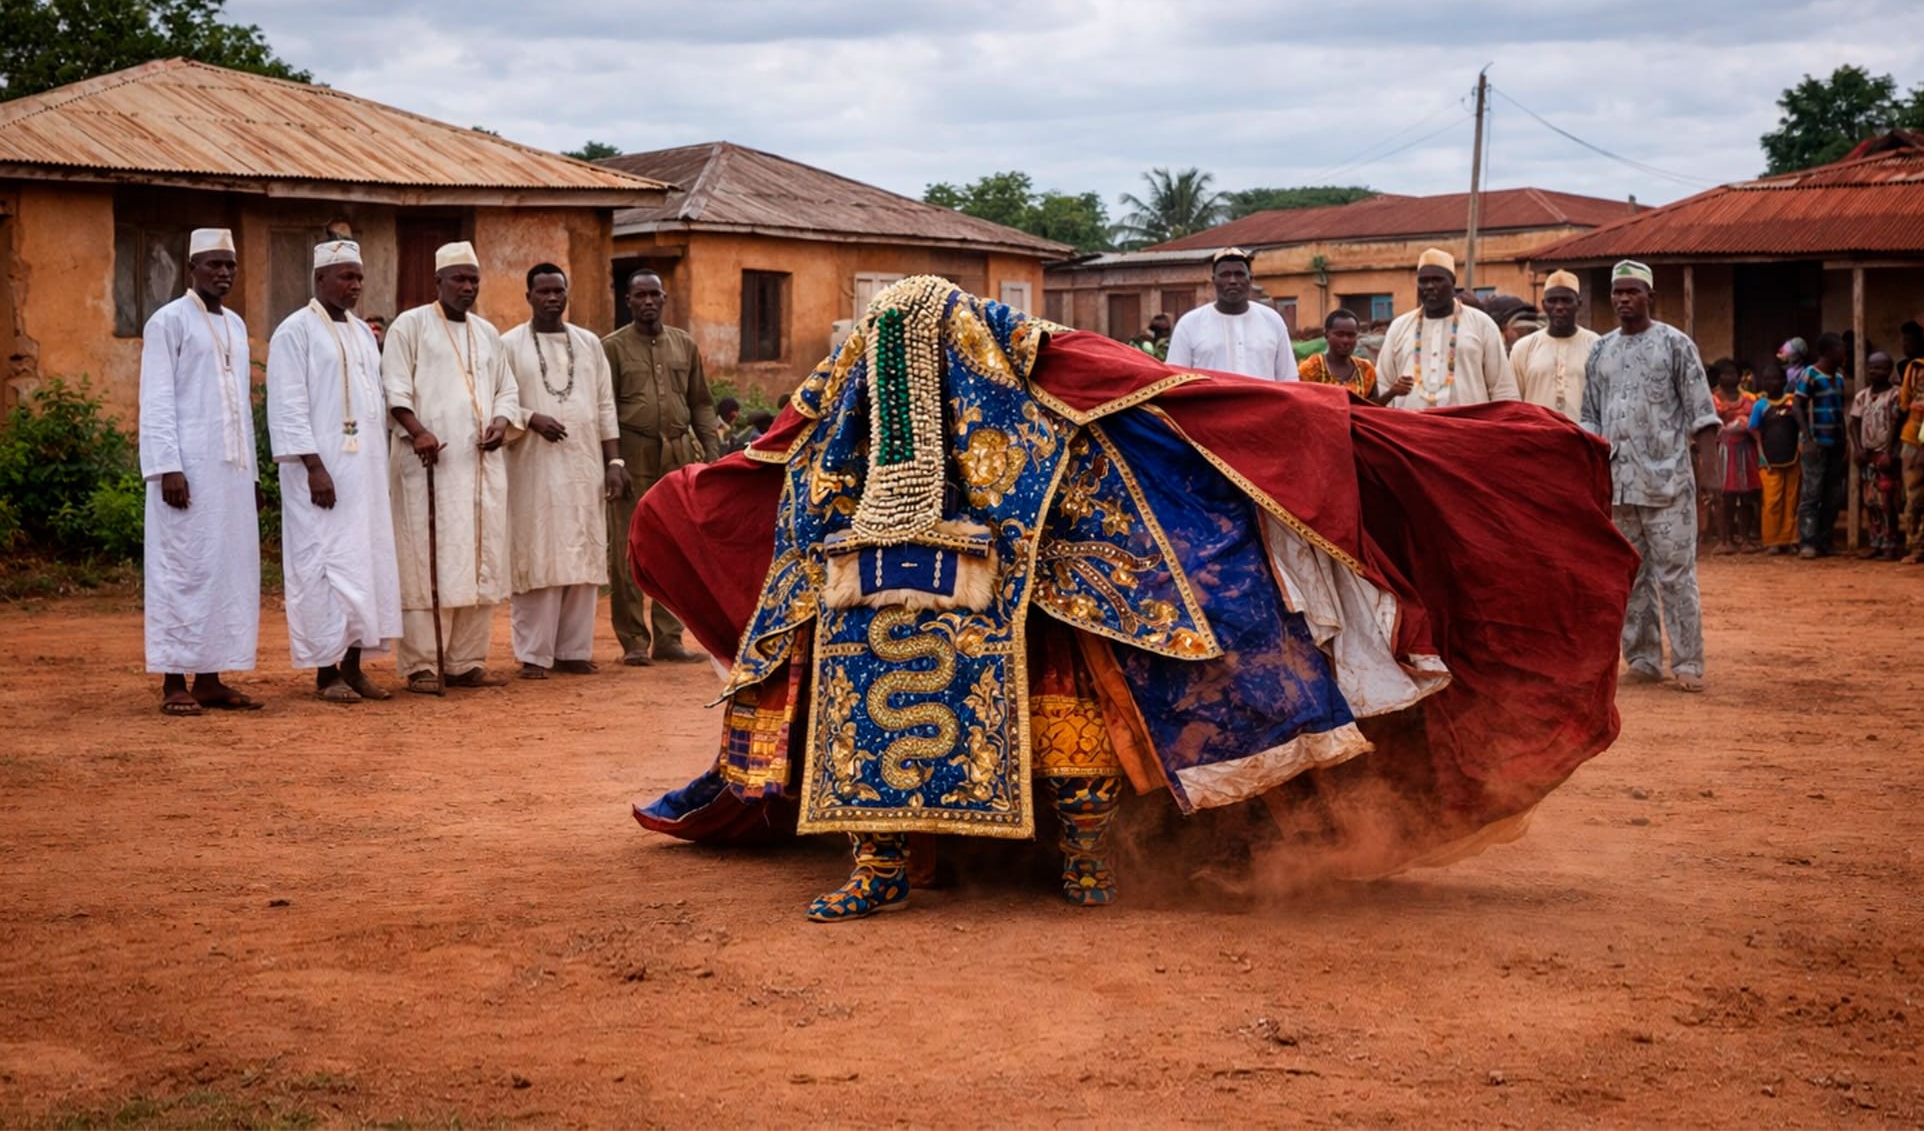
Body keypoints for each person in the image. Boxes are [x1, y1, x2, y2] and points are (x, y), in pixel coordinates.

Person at [630, 275, 1635, 921]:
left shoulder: (908, 360)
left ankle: (960, 862)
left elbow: (787, 438)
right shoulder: (1004, 348)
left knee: (1039, 688)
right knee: (1063, 690)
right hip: (966, 554)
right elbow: (1137, 379)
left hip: (982, 556)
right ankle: (1062, 864)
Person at [266, 240, 402, 701]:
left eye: (359, 277)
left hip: (364, 473)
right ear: (320, 278)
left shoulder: (363, 333)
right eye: (346, 276)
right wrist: (313, 466)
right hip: (319, 474)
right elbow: (288, 404)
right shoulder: (294, 331)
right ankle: (326, 672)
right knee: (322, 567)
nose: (355, 285)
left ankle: (354, 666)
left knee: (365, 564)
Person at [382, 241, 521, 692]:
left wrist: (501, 422)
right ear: (437, 281)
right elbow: (394, 388)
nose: (467, 287)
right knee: (429, 560)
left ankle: (465, 661)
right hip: (431, 464)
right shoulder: (410, 326)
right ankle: (423, 664)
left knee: (479, 558)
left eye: (473, 280)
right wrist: (417, 431)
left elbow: (507, 390)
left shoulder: (488, 332)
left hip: (481, 467)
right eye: (459, 279)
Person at [138, 227, 263, 715]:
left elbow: (240, 407)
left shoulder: (235, 325)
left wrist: (253, 477)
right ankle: (174, 680)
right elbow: (156, 399)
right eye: (214, 264)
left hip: (231, 474)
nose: (224, 273)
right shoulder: (168, 321)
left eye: (230, 265)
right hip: (186, 471)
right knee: (181, 570)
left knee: (224, 571)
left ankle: (210, 679)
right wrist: (167, 467)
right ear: (192, 268)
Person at [1580, 260, 1718, 693]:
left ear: (1650, 296)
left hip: (1668, 483)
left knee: (1676, 575)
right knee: (1629, 576)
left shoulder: (1675, 345)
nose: (1623, 299)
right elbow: (1589, 418)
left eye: (1632, 291)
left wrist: (1711, 478)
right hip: (1617, 487)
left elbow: (1703, 415)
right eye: (1617, 292)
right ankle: (1642, 658)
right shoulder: (1600, 351)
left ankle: (1688, 662)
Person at [501, 264, 630, 679]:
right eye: (543, 291)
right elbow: (497, 401)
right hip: (532, 468)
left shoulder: (589, 343)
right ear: (528, 296)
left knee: (582, 552)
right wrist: (530, 417)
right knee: (538, 553)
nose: (552, 298)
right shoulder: (508, 345)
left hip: (584, 466)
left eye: (558, 290)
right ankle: (534, 654)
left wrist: (614, 463)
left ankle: (573, 650)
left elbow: (605, 405)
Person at [603, 269, 718, 665]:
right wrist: (613, 462)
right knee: (628, 547)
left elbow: (701, 403)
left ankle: (670, 639)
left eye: (654, 295)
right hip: (632, 455)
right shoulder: (612, 348)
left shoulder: (684, 344)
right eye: (640, 296)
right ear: (628, 301)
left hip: (678, 455)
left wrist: (712, 455)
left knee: (676, 547)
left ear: (664, 298)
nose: (648, 302)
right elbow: (604, 409)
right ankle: (634, 641)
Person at [1377, 248, 1518, 410]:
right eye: (1423, 281)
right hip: (1410, 424)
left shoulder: (1482, 324)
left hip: (1467, 424)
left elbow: (1503, 388)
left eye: (1437, 280)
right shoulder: (1399, 327)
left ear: (1453, 282)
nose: (1429, 286)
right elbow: (1382, 384)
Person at [1165, 248, 1299, 381]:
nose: (1233, 281)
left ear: (1250, 279)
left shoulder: (1272, 321)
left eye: (1239, 274)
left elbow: (1289, 379)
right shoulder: (1189, 324)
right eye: (1225, 275)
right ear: (1214, 280)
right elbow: (1174, 381)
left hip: (1263, 397)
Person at [1508, 270, 1600, 422]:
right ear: (1543, 304)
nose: (1559, 307)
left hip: (1582, 434)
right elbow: (1513, 401)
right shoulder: (1523, 348)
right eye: (1552, 301)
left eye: (1566, 300)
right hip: (1537, 433)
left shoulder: (1596, 345)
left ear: (1579, 303)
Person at [1793, 332, 1848, 559]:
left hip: (1835, 443)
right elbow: (1797, 406)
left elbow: (1840, 411)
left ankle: (1825, 541)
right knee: (1812, 493)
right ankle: (1807, 541)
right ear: (1828, 352)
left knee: (1833, 495)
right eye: (1840, 350)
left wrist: (1845, 441)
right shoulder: (1810, 374)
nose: (1844, 354)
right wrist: (1807, 438)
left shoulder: (1840, 378)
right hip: (1816, 443)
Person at [1847, 350, 1903, 559]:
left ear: (1888, 370)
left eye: (1879, 367)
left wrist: (1890, 452)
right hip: (1868, 455)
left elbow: (1898, 425)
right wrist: (1858, 449)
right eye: (1871, 367)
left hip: (1885, 455)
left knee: (1888, 501)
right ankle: (1876, 542)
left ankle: (1891, 543)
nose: (1873, 371)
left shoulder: (1896, 395)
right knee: (1871, 502)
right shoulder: (1862, 396)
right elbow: (1853, 423)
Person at [1707, 358, 1762, 555]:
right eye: (1725, 373)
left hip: (1746, 450)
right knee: (1724, 497)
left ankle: (1745, 538)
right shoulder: (1711, 399)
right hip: (1722, 450)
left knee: (1747, 496)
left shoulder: (1750, 398)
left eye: (1733, 373)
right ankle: (1725, 540)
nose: (1730, 377)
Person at [1749, 366, 1802, 554]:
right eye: (1767, 379)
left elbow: (1800, 425)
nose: (1772, 383)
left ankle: (1790, 539)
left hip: (1792, 457)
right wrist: (1761, 455)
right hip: (1769, 459)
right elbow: (1754, 430)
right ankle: (1772, 540)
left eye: (1776, 378)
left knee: (1791, 499)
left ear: (1784, 381)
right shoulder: (1760, 405)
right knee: (1771, 501)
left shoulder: (1792, 402)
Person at [1297, 309, 1377, 399]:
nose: (1345, 340)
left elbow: (1373, 405)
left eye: (1351, 335)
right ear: (1326, 335)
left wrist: (1389, 393)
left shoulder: (1366, 370)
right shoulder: (1311, 368)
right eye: (1339, 335)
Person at [1900, 350, 1924, 564]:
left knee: (1914, 497)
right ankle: (1916, 546)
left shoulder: (1916, 368)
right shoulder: (1917, 368)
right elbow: (1905, 402)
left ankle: (1916, 546)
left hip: (1914, 440)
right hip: (1916, 440)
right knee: (1915, 497)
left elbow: (1904, 402)